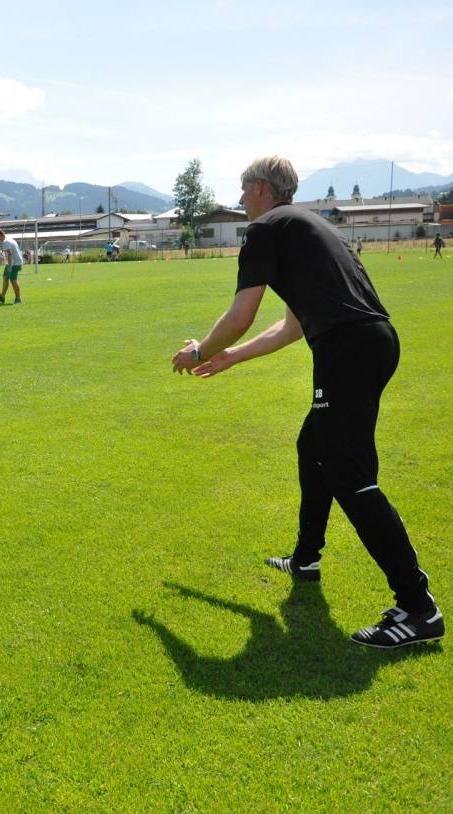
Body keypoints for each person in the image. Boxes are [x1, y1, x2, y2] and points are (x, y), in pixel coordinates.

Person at [170, 155, 441, 649]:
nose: (239, 198)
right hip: (371, 343)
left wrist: (198, 351)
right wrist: (231, 358)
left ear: (260, 188)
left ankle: (418, 609)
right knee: (312, 446)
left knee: (351, 477)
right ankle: (306, 558)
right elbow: (293, 324)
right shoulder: (308, 227)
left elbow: (241, 314)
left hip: (348, 351)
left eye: (242, 188)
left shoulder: (266, 229)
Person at [0, 229, 23, 304]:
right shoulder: (10, 239)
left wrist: (9, 266)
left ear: (0, 235)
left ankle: (18, 299)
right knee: (5, 277)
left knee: (13, 280)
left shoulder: (6, 242)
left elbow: (10, 254)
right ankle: (2, 297)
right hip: (14, 262)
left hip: (14, 263)